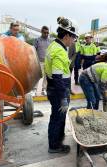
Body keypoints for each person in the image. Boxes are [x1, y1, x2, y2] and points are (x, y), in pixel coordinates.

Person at [44, 17, 78, 153]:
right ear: (67, 35)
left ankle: (57, 138)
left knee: (56, 117)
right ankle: (54, 145)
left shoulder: (54, 45)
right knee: (58, 118)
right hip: (58, 91)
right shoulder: (59, 50)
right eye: (73, 37)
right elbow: (58, 78)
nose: (74, 40)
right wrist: (64, 97)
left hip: (55, 89)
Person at [33, 26, 52, 95]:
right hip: (39, 62)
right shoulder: (37, 40)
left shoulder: (50, 41)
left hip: (47, 62)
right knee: (37, 76)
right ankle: (34, 90)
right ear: (41, 32)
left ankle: (44, 89)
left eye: (47, 33)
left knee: (46, 77)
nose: (46, 34)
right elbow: (34, 50)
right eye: (45, 33)